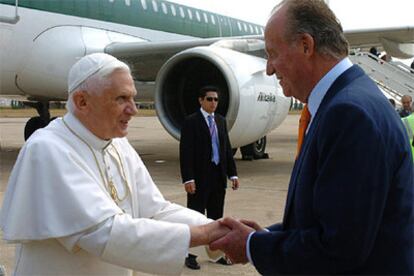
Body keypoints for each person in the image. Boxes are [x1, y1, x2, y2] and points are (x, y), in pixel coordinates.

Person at [210, 0, 414, 274]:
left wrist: (251, 246)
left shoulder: (349, 114)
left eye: (273, 54)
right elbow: (334, 219)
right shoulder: (346, 101)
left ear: (306, 45)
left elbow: (338, 249)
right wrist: (265, 239)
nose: (269, 69)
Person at [0, 53, 229, 275]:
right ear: (82, 101)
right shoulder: (47, 148)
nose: (134, 109)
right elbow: (103, 231)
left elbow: (155, 209)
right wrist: (204, 235)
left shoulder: (117, 144)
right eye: (121, 99)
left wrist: (218, 232)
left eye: (133, 98)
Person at [179, 86, 240, 269]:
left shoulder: (220, 121)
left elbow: (226, 150)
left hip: (217, 177)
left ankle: (216, 254)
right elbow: (186, 152)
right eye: (209, 99)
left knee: (216, 219)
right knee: (195, 217)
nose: (213, 103)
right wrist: (188, 178)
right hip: (199, 179)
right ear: (201, 100)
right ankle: (190, 255)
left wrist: (233, 173)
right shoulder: (191, 122)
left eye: (216, 100)